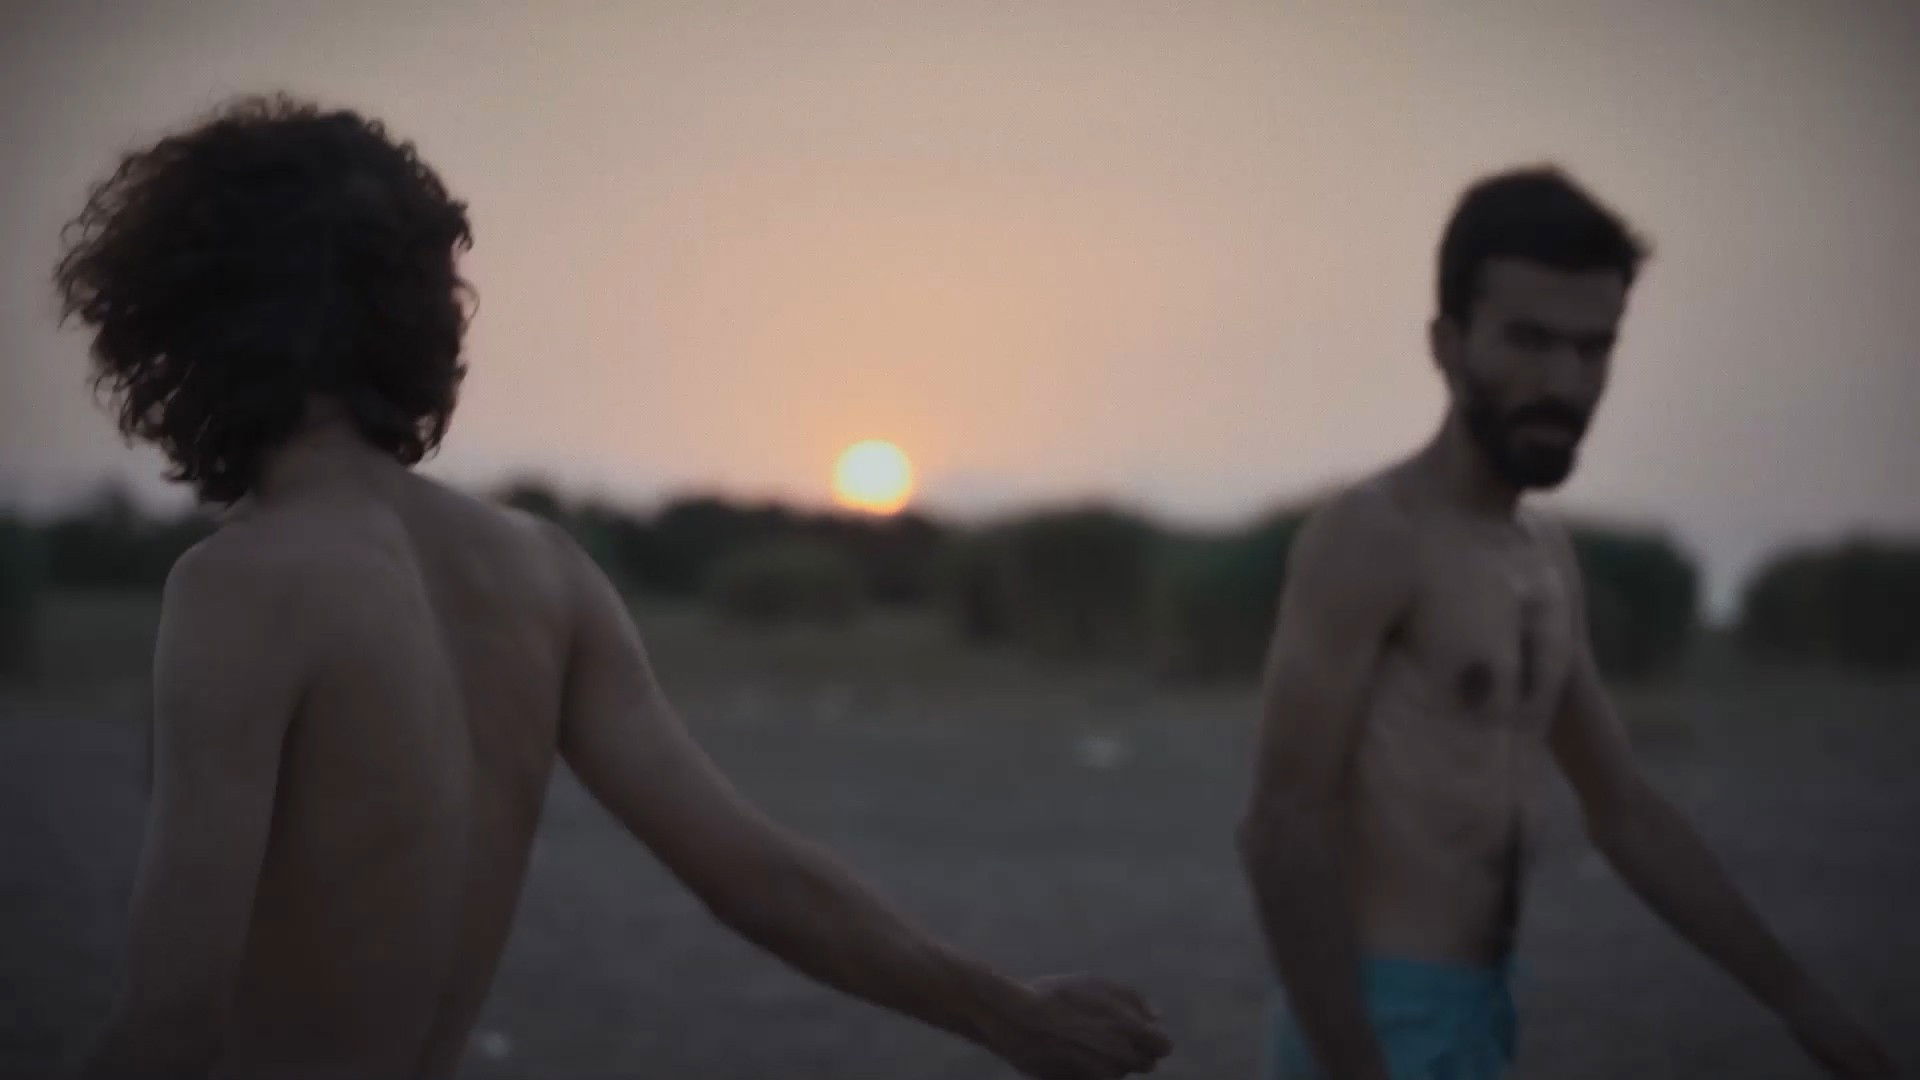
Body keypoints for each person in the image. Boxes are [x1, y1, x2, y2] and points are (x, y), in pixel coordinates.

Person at [59, 95, 1171, 1080]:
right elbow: (754, 877)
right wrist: (1012, 1016)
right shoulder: (541, 571)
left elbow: (173, 1024)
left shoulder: (241, 587)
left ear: (183, 316)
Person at [1236, 166, 1896, 1080]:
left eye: (1594, 348)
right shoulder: (1374, 537)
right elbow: (1282, 826)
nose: (1564, 381)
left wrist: (1802, 1003)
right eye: (1529, 341)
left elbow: (1624, 812)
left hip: (1483, 1011)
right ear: (1447, 344)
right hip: (1376, 1020)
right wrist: (1355, 1062)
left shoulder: (1541, 555)